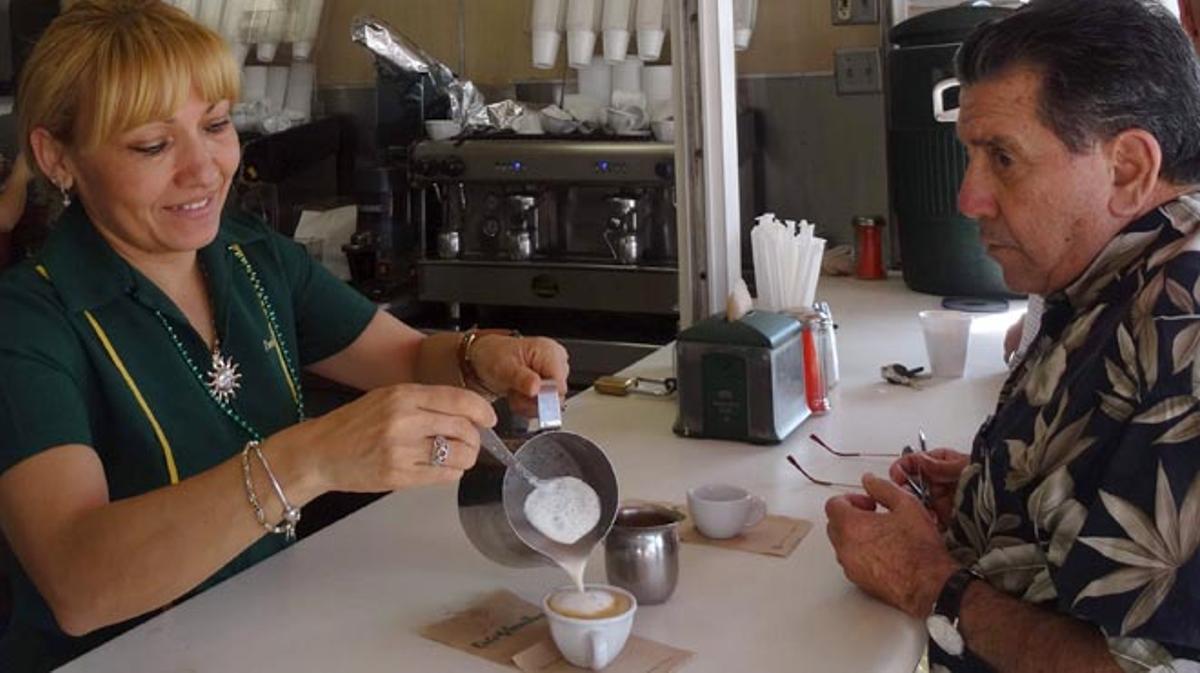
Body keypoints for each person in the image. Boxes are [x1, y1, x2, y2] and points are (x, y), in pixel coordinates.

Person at [0, 2, 570, 671]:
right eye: (151, 145)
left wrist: (481, 357)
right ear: (57, 157)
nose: (204, 168)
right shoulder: (30, 323)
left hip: (268, 629)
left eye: (215, 124)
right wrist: (310, 458)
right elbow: (78, 582)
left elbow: (409, 357)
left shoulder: (249, 257)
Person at [825, 1, 1200, 671]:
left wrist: (925, 579)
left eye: (1002, 157)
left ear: (1128, 169)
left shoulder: (1186, 324)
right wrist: (1001, 493)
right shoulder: (1118, 269)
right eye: (971, 155)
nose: (969, 197)